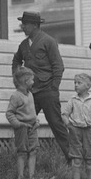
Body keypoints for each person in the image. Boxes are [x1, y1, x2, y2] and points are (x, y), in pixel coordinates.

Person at [11, 11, 70, 162]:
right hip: (30, 93)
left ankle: (73, 159)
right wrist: (18, 80)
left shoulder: (48, 41)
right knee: (23, 124)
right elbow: (16, 61)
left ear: (34, 25)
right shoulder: (23, 45)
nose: (22, 27)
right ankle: (22, 161)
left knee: (57, 125)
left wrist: (53, 88)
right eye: (22, 24)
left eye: (25, 24)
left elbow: (58, 66)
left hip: (47, 91)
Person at [62, 72, 91, 179]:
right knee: (76, 158)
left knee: (90, 158)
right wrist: (70, 126)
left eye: (79, 83)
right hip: (75, 131)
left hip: (89, 131)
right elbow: (65, 114)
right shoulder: (73, 100)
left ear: (88, 86)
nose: (76, 85)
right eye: (75, 83)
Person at [6, 67, 41, 179]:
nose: (33, 82)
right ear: (25, 81)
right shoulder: (16, 96)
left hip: (32, 127)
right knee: (22, 152)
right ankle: (20, 178)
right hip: (22, 128)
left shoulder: (30, 94)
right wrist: (18, 124)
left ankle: (31, 178)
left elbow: (31, 111)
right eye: (32, 80)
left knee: (33, 151)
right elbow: (9, 113)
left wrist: (36, 121)